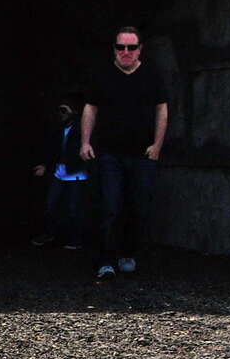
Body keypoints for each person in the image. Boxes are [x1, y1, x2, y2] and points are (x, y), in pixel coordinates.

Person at [80, 26, 168, 281]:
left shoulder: (151, 75)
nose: (126, 52)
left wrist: (157, 145)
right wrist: (85, 142)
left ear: (140, 49)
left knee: (138, 205)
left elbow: (162, 109)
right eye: (121, 47)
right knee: (109, 205)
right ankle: (105, 260)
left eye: (131, 47)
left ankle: (127, 253)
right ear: (114, 49)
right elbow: (90, 108)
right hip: (109, 153)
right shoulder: (102, 75)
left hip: (142, 154)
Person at [31, 95, 88, 249]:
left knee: (74, 208)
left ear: (73, 112)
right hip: (59, 171)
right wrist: (45, 165)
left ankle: (76, 239)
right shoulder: (57, 129)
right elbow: (52, 150)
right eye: (59, 111)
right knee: (51, 204)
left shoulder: (81, 129)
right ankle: (50, 233)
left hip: (76, 173)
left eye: (64, 111)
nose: (61, 114)